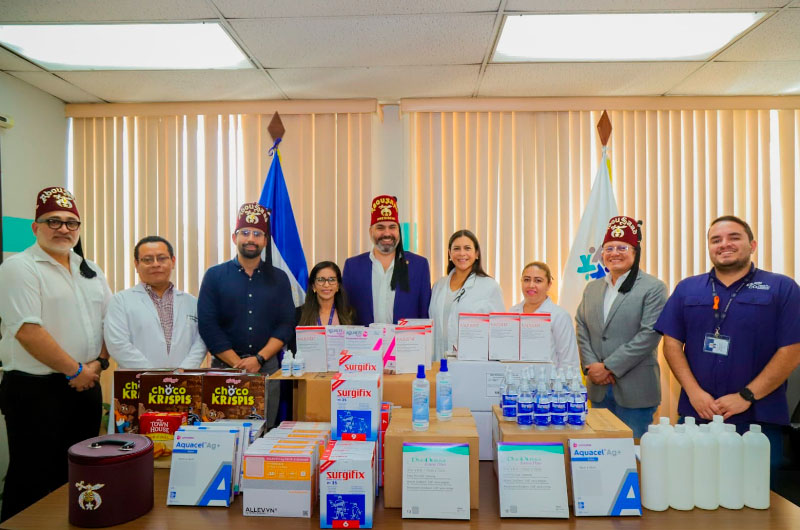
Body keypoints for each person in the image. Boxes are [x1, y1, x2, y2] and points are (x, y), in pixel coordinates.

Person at [655, 215, 800, 474]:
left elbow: (792, 349)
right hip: (698, 415)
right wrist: (694, 393)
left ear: (752, 245)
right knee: (693, 486)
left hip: (758, 419)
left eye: (734, 237)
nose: (724, 244)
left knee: (758, 493)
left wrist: (746, 396)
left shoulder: (782, 288)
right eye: (716, 240)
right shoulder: (688, 288)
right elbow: (672, 343)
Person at [0, 187, 112, 521]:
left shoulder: (90, 269)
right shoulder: (19, 268)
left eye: (70, 223)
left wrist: (97, 364)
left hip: (86, 386)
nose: (63, 229)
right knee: (33, 477)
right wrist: (76, 370)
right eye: (53, 221)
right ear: (35, 227)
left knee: (80, 475)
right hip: (35, 392)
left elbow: (110, 322)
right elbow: (27, 331)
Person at [197, 203, 295, 428]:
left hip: (267, 369)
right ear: (235, 237)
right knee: (222, 432)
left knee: (265, 432)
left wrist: (259, 359)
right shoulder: (214, 276)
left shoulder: (279, 278)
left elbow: (286, 324)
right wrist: (238, 364)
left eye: (257, 234)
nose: (251, 239)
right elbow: (208, 325)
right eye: (245, 232)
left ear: (265, 240)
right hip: (224, 368)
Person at [575, 216, 667, 439]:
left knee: (631, 453)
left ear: (635, 252)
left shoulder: (653, 287)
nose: (614, 253)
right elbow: (581, 326)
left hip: (636, 391)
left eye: (622, 247)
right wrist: (592, 366)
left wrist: (608, 367)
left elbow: (649, 334)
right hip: (597, 388)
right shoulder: (592, 288)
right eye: (609, 248)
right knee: (600, 450)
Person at [104, 236, 206, 369]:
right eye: (148, 260)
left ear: (173, 261)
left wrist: (183, 371)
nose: (156, 264)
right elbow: (117, 343)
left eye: (162, 258)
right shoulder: (120, 301)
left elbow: (200, 342)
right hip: (136, 378)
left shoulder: (192, 302)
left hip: (183, 379)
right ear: (136, 264)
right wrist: (153, 375)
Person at [342, 195, 431, 325]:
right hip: (364, 338)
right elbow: (345, 312)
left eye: (392, 227)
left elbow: (424, 314)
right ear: (370, 232)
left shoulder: (419, 265)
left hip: (406, 338)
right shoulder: (353, 266)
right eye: (380, 227)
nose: (387, 233)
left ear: (399, 231)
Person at [429, 229, 505, 360]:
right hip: (439, 361)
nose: (462, 253)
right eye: (456, 248)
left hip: (473, 362)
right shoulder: (438, 285)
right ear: (450, 253)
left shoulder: (490, 286)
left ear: (477, 254)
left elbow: (499, 331)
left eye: (467, 248)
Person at [508, 261, 579, 371]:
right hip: (515, 378)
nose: (531, 285)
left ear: (549, 285)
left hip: (548, 381)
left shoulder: (559, 316)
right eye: (526, 280)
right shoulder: (512, 312)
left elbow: (569, 361)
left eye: (538, 281)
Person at [296, 261, 357, 327]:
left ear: (338, 285)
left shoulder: (349, 313)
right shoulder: (299, 313)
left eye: (332, 280)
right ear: (313, 286)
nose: (326, 285)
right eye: (321, 280)